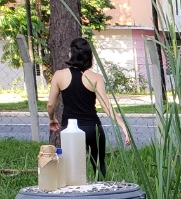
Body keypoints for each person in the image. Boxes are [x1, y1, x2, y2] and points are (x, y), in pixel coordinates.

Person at [47, 38, 131, 179]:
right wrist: (122, 126)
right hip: (92, 128)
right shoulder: (96, 77)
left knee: (71, 168)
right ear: (89, 56)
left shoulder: (59, 75)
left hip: (70, 130)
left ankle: (74, 196)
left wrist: (52, 119)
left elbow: (50, 104)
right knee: (99, 165)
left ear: (71, 54)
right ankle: (100, 193)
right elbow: (106, 105)